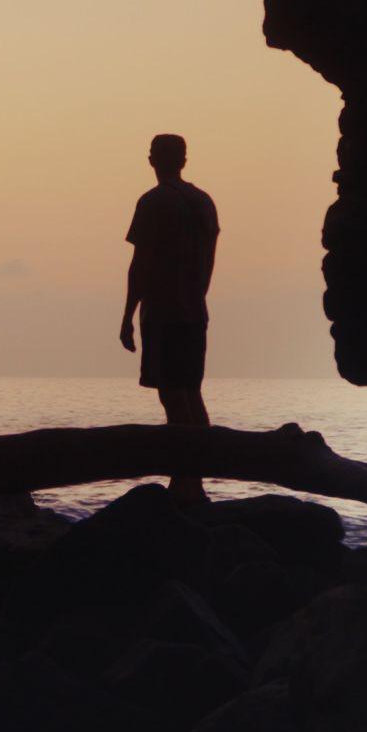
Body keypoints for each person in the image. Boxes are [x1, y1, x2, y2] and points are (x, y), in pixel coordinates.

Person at [117, 132, 220, 506]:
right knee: (191, 390)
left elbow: (140, 263)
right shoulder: (204, 202)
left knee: (173, 395)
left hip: (164, 309)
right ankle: (195, 478)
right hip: (196, 308)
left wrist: (128, 314)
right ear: (184, 160)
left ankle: (186, 482)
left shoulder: (153, 202)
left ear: (153, 160)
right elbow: (208, 259)